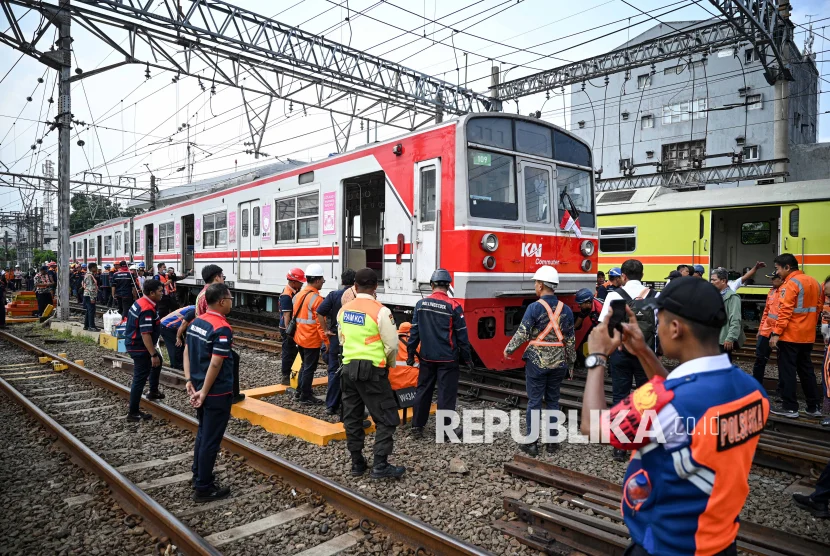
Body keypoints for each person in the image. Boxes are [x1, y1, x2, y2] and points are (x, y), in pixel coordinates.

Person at [580, 276, 769, 556]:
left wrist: (597, 357)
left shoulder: (665, 402)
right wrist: (643, 351)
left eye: (660, 320)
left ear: (676, 328)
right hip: (720, 540)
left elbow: (592, 426)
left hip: (668, 545)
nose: (657, 326)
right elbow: (686, 390)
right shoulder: (753, 392)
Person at [337, 268, 405, 479]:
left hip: (348, 370)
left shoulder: (344, 310)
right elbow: (392, 345)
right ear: (376, 287)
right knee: (387, 417)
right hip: (373, 371)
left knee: (352, 417)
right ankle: (380, 466)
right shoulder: (381, 311)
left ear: (354, 287)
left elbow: (342, 339)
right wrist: (387, 364)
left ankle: (357, 463)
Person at [504, 266, 575, 456]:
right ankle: (552, 443)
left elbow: (523, 332)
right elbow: (570, 340)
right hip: (559, 362)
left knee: (534, 401)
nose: (535, 286)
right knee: (553, 401)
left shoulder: (534, 307)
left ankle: (532, 443)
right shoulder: (566, 309)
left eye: (536, 283)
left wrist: (509, 349)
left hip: (537, 361)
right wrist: (571, 363)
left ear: (541, 285)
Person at [597, 259, 657, 462]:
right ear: (642, 274)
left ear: (623, 276)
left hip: (620, 354)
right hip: (645, 355)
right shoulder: (654, 296)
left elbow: (603, 326)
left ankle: (620, 447)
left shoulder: (614, 295)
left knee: (620, 397)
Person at [183, 283, 236, 502]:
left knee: (203, 434)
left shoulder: (197, 322)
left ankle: (199, 476)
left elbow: (186, 351)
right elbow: (216, 363)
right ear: (222, 301)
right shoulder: (221, 328)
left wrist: (189, 380)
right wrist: (204, 392)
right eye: (230, 298)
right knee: (210, 440)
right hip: (215, 393)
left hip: (197, 387)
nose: (232, 302)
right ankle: (203, 488)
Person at [407, 268, 473, 440]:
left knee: (423, 391)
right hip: (448, 359)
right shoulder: (454, 307)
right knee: (446, 394)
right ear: (448, 286)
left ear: (431, 285)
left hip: (427, 358)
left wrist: (410, 353)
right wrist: (467, 358)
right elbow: (462, 336)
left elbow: (414, 333)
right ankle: (445, 431)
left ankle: (417, 427)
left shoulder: (420, 305)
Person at [769, 253, 822, 418]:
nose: (777, 272)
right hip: (807, 335)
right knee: (807, 370)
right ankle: (814, 407)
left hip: (790, 335)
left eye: (778, 268)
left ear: (787, 267)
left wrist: (776, 333)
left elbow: (785, 311)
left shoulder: (790, 284)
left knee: (788, 371)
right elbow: (818, 308)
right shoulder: (814, 282)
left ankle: (790, 407)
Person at [195, 264, 244, 404]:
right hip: (213, 335)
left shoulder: (202, 293)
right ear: (216, 277)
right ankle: (231, 395)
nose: (223, 279)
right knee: (227, 362)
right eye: (223, 277)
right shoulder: (213, 293)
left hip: (204, 334)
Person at [317, 268, 356, 416]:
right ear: (354, 282)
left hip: (335, 339)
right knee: (351, 372)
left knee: (333, 371)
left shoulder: (333, 295)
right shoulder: (356, 297)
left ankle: (331, 406)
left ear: (342, 281)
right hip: (351, 340)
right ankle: (348, 406)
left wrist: (326, 329)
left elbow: (320, 312)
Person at [125, 279, 164, 422]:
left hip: (137, 344)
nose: (162, 293)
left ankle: (153, 391)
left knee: (158, 361)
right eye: (160, 291)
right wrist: (152, 353)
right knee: (140, 378)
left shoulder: (141, 302)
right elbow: (145, 333)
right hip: (139, 346)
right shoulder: (147, 309)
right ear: (152, 293)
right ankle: (133, 412)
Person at [292, 263, 329, 405]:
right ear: (318, 280)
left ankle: (300, 391)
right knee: (309, 368)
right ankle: (305, 396)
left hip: (299, 337)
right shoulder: (317, 299)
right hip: (311, 339)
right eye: (323, 281)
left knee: (304, 365)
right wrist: (326, 341)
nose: (323, 283)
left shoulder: (298, 295)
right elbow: (320, 324)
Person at [751, 272, 783, 388]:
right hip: (767, 330)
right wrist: (760, 329)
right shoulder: (772, 291)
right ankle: (756, 386)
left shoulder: (786, 292)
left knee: (783, 363)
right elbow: (766, 312)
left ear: (781, 279)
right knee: (760, 359)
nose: (771, 281)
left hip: (780, 331)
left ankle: (782, 390)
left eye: (773, 279)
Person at [710, 268, 745, 359]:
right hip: (713, 339)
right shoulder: (715, 295)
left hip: (723, 340)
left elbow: (735, 319)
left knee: (722, 368)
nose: (712, 282)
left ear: (723, 281)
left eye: (714, 280)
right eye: (711, 280)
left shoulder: (732, 297)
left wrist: (730, 338)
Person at [279, 267, 305, 386]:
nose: (301, 284)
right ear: (293, 282)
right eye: (300, 282)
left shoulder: (293, 292)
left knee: (292, 351)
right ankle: (286, 376)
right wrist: (289, 332)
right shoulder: (287, 295)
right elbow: (286, 315)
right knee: (288, 352)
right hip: (287, 328)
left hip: (289, 328)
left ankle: (291, 375)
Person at [573, 287, 603, 367]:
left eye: (580, 303)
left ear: (588, 303)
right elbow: (579, 320)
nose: (579, 306)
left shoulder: (600, 308)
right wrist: (573, 329)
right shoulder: (586, 307)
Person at [160, 305, 196, 370]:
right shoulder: (193, 311)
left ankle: (179, 366)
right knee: (177, 347)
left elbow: (186, 327)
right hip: (167, 326)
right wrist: (178, 337)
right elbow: (184, 324)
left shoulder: (194, 308)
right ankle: (175, 368)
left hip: (173, 327)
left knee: (181, 347)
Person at [82, 262, 99, 331]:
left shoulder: (89, 275)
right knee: (91, 311)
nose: (97, 268)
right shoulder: (89, 276)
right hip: (89, 295)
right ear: (92, 268)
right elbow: (90, 287)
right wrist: (92, 298)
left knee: (89, 311)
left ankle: (86, 325)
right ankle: (91, 326)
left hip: (87, 295)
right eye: (95, 267)